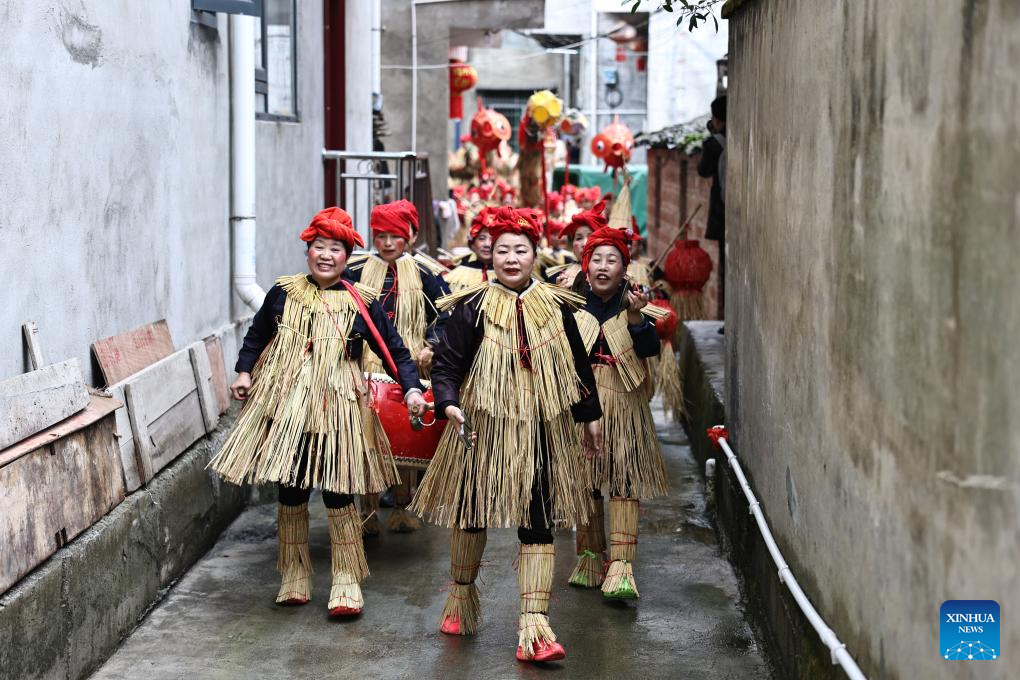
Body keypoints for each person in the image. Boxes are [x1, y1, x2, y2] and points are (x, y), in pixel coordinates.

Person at [209, 207, 428, 617]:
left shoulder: (362, 302)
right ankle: (294, 574)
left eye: (335, 249)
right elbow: (257, 337)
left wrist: (412, 387)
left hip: (339, 406)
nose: (325, 255)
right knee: (290, 488)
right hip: (288, 404)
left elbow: (393, 349)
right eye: (318, 247)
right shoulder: (284, 292)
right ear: (307, 251)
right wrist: (243, 371)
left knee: (338, 489)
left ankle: (346, 579)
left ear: (347, 257)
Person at [410, 207, 603, 664]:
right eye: (502, 251)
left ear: (535, 254)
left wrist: (590, 414)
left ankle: (534, 625)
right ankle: (460, 597)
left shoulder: (557, 305)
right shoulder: (470, 307)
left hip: (541, 429)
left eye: (520, 250)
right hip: (482, 428)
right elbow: (447, 365)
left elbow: (577, 365)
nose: (511, 258)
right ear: (490, 255)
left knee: (537, 520)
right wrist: (448, 402)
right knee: (472, 513)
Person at [567, 227, 670, 599]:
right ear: (586, 265)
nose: (603, 266)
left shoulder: (635, 305)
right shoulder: (573, 305)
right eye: (597, 259)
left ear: (625, 268)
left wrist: (636, 319)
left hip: (624, 402)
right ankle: (591, 556)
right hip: (584, 399)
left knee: (623, 479)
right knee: (587, 480)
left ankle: (622, 566)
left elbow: (649, 349)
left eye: (613, 260)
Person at [345, 199, 451, 534]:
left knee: (406, 437)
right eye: (381, 235)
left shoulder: (424, 273)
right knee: (367, 440)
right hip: (366, 363)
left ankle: (403, 507)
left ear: (409, 235)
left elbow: (447, 314)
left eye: (395, 236)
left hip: (407, 366)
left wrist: (430, 345)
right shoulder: (357, 270)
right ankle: (367, 511)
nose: (388, 243)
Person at [699, 95, 726, 324]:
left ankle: (729, 320)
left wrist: (711, 137)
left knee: (727, 268)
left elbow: (703, 171)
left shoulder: (714, 144)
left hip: (722, 211)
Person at [547, 199, 608, 290]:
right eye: (579, 238)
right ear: (572, 245)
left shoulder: (614, 279)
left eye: (591, 237)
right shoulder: (556, 277)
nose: (584, 244)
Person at [444, 206, 494, 291]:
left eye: (492, 239)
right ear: (473, 244)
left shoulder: (508, 271)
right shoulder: (460, 269)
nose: (487, 244)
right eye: (482, 238)